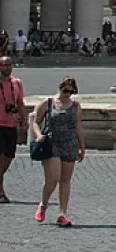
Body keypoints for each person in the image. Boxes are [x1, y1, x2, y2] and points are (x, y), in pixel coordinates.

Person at [30, 76, 85, 226]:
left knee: (65, 179)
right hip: (51, 142)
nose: (67, 94)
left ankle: (62, 214)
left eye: (71, 92)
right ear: (60, 87)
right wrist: (38, 135)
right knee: (53, 178)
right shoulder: (47, 103)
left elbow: (78, 127)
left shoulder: (76, 106)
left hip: (70, 144)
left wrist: (82, 147)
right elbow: (35, 121)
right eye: (65, 90)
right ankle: (43, 204)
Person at [0, 55, 26, 203]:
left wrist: (24, 118)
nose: (7, 68)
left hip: (11, 124)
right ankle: (1, 191)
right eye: (4, 65)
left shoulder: (16, 83)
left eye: (9, 65)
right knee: (1, 157)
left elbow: (20, 102)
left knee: (8, 158)